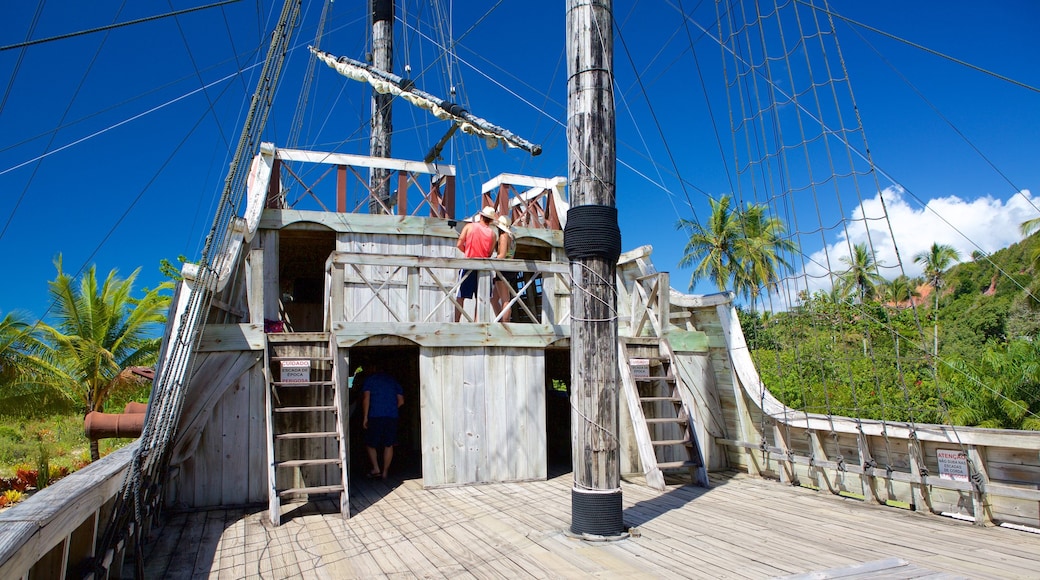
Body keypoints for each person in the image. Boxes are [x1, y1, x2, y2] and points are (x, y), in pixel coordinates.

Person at [361, 361, 404, 479]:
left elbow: (366, 398)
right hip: (392, 416)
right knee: (389, 444)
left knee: (370, 443)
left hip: (375, 415)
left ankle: (376, 468)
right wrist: (390, 408)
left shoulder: (370, 380)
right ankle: (385, 472)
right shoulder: (393, 381)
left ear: (373, 368)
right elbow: (401, 401)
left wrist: (365, 417)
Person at [454, 206, 497, 321]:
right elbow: (489, 253)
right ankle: (477, 322)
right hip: (483, 266)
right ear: (491, 220)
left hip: (469, 263)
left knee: (461, 296)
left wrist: (467, 251)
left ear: (481, 216)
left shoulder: (469, 227)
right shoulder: (493, 234)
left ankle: (456, 322)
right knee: (481, 297)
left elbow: (459, 244)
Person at [492, 214, 517, 322]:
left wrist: (492, 261)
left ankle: (504, 324)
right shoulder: (512, 237)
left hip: (503, 269)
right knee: (494, 299)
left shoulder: (503, 236)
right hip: (509, 268)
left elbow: (502, 254)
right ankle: (501, 321)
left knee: (505, 300)